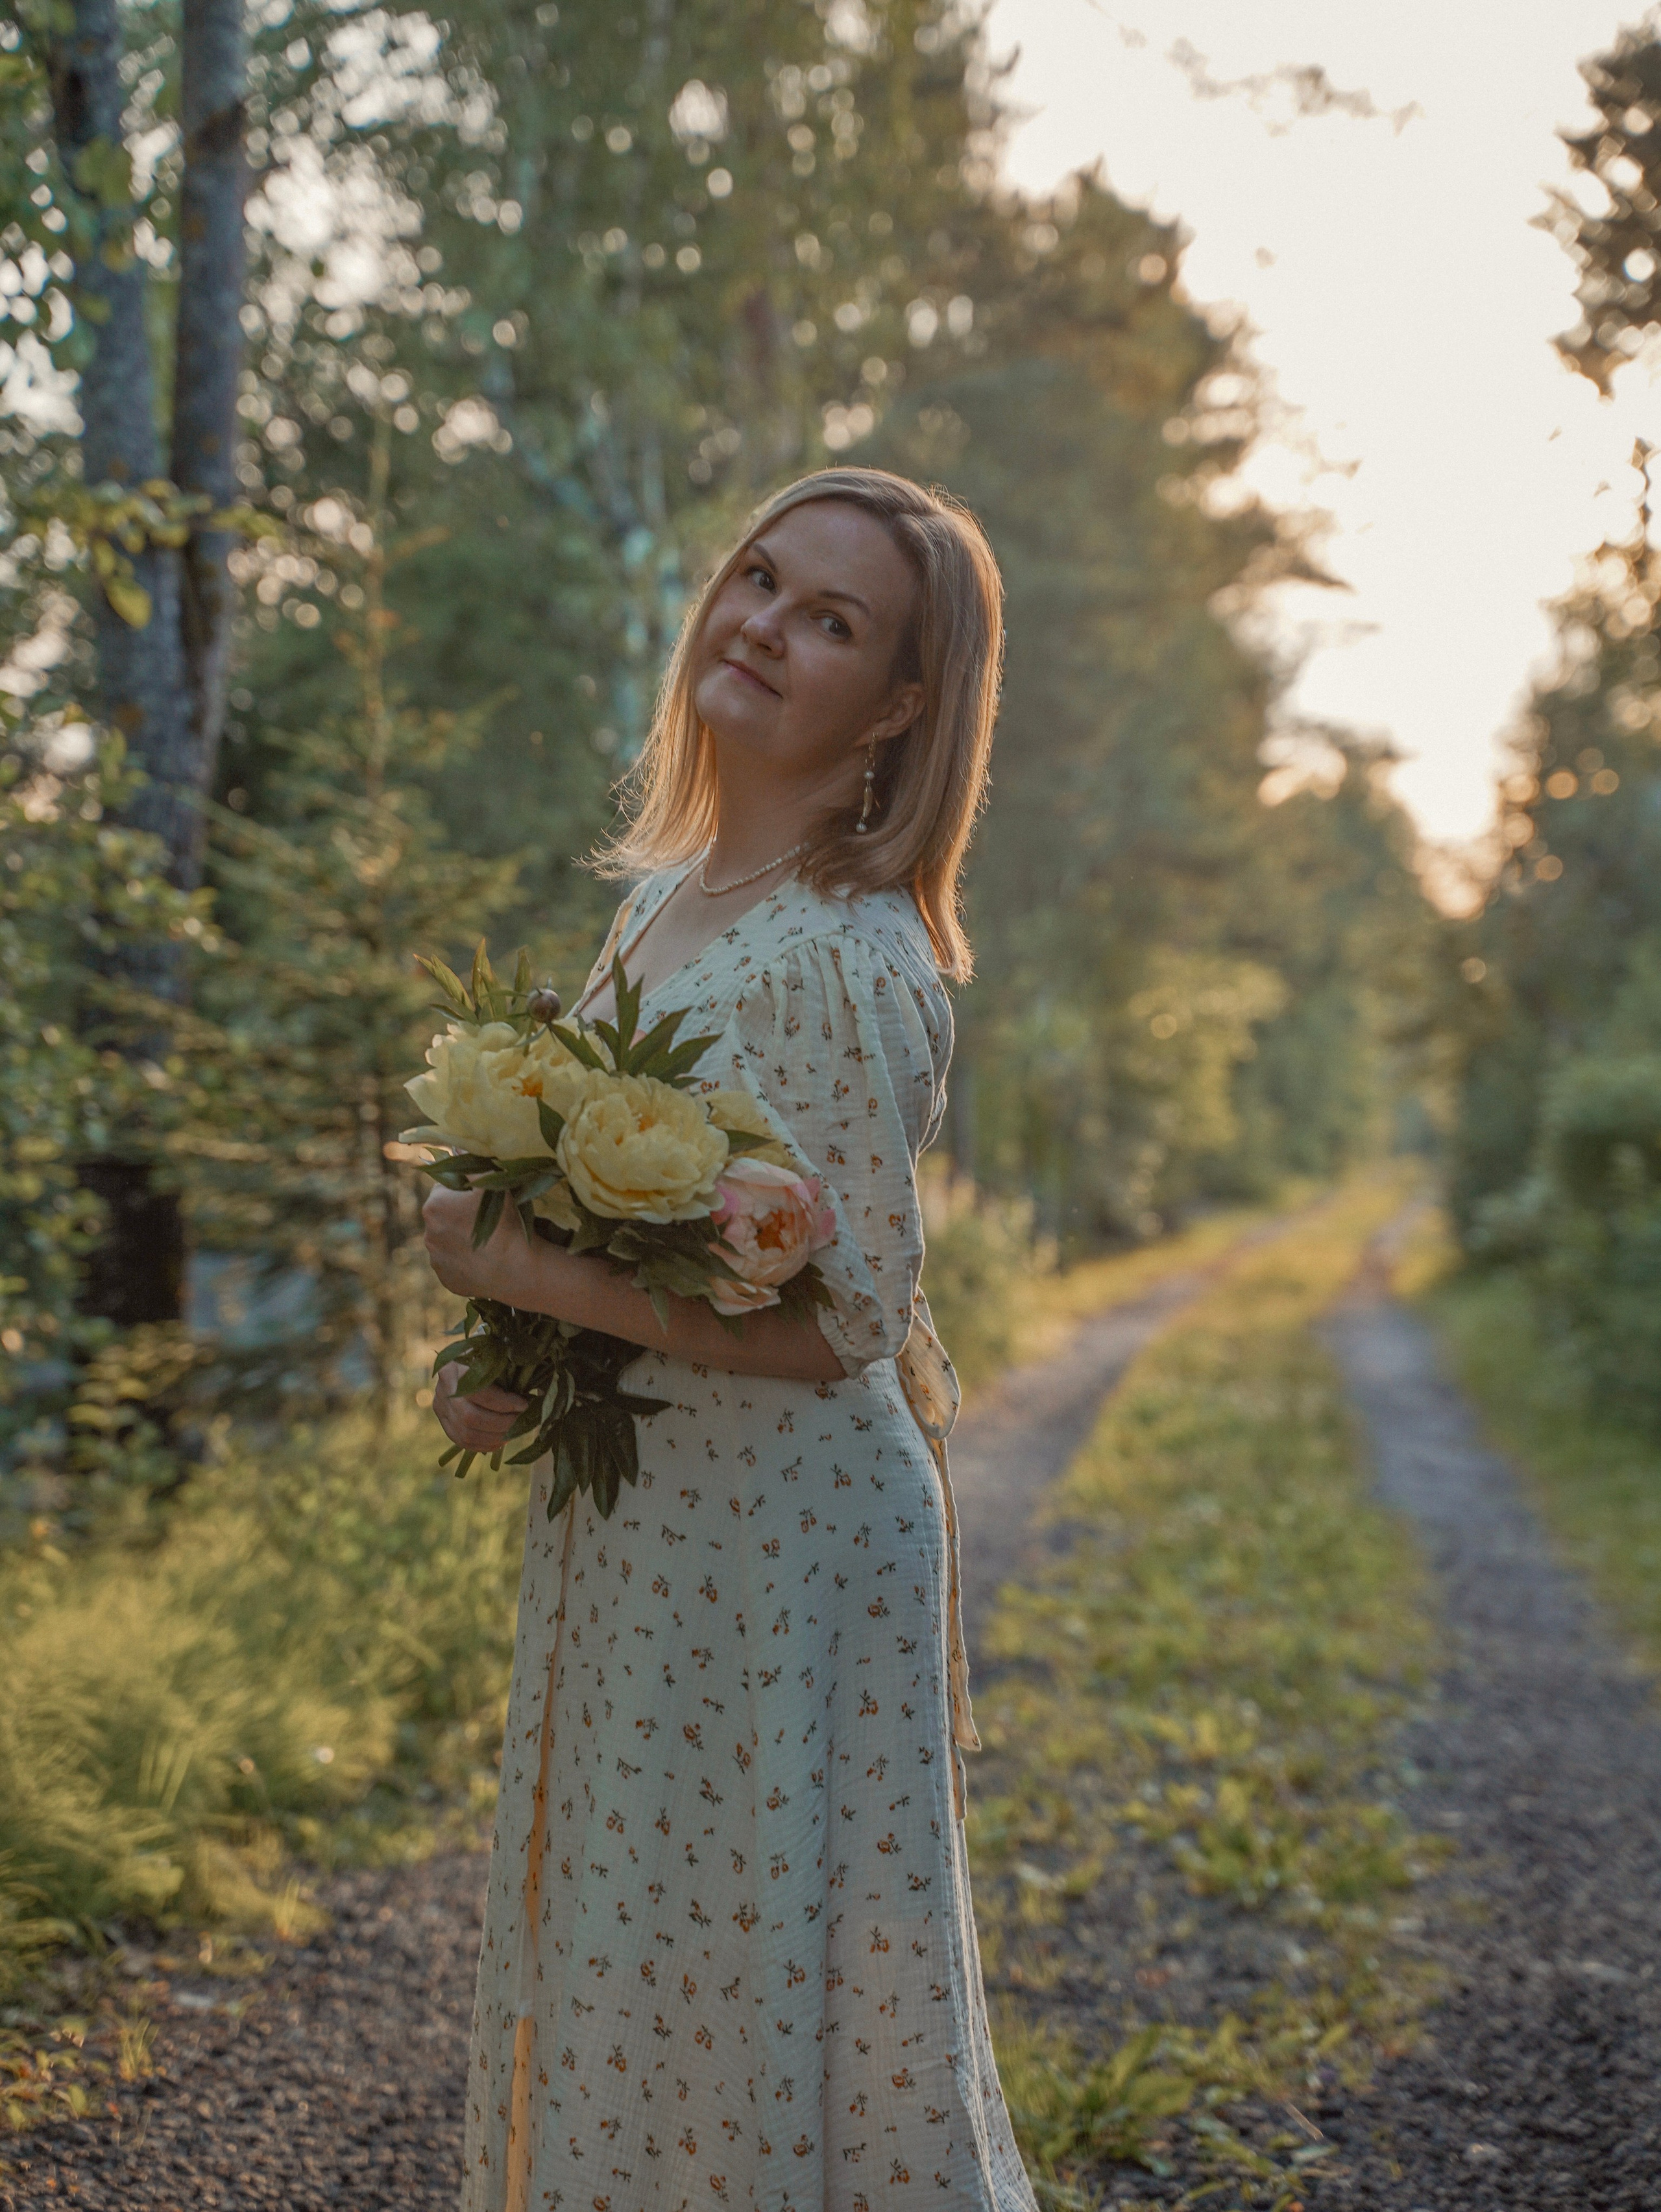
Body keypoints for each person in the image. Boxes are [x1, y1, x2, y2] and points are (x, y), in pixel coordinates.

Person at [421, 466, 1037, 2212]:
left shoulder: (845, 958)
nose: (762, 621)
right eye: (761, 578)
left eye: (830, 617)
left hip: (779, 1545)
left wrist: (532, 1279)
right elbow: (656, 1253)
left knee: (755, 1995)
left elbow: (835, 1326)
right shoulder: (669, 898)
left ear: (902, 704)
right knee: (642, 1964)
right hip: (656, 1526)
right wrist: (513, 1366)